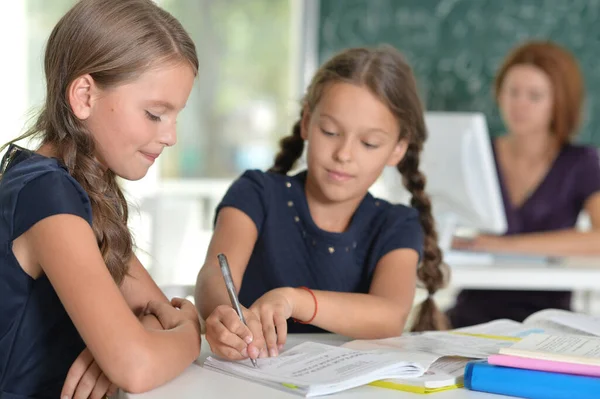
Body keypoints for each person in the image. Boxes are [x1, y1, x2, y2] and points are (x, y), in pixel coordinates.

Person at [195, 46, 450, 363]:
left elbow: (389, 316)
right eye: (330, 131)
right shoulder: (256, 193)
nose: (344, 154)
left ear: (398, 149)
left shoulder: (396, 224)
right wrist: (222, 314)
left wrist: (295, 300)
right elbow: (213, 277)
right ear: (306, 123)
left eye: (369, 143)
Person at [0, 1, 202, 398]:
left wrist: (131, 335)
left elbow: (155, 311)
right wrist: (192, 331)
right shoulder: (46, 194)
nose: (171, 136)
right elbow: (138, 366)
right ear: (84, 95)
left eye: (176, 115)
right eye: (154, 113)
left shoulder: (78, 188)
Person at [448, 41, 600, 328]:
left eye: (534, 96)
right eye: (512, 92)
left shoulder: (581, 162)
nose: (519, 105)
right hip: (471, 315)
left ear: (558, 101)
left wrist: (503, 246)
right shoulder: (478, 153)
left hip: (546, 320)